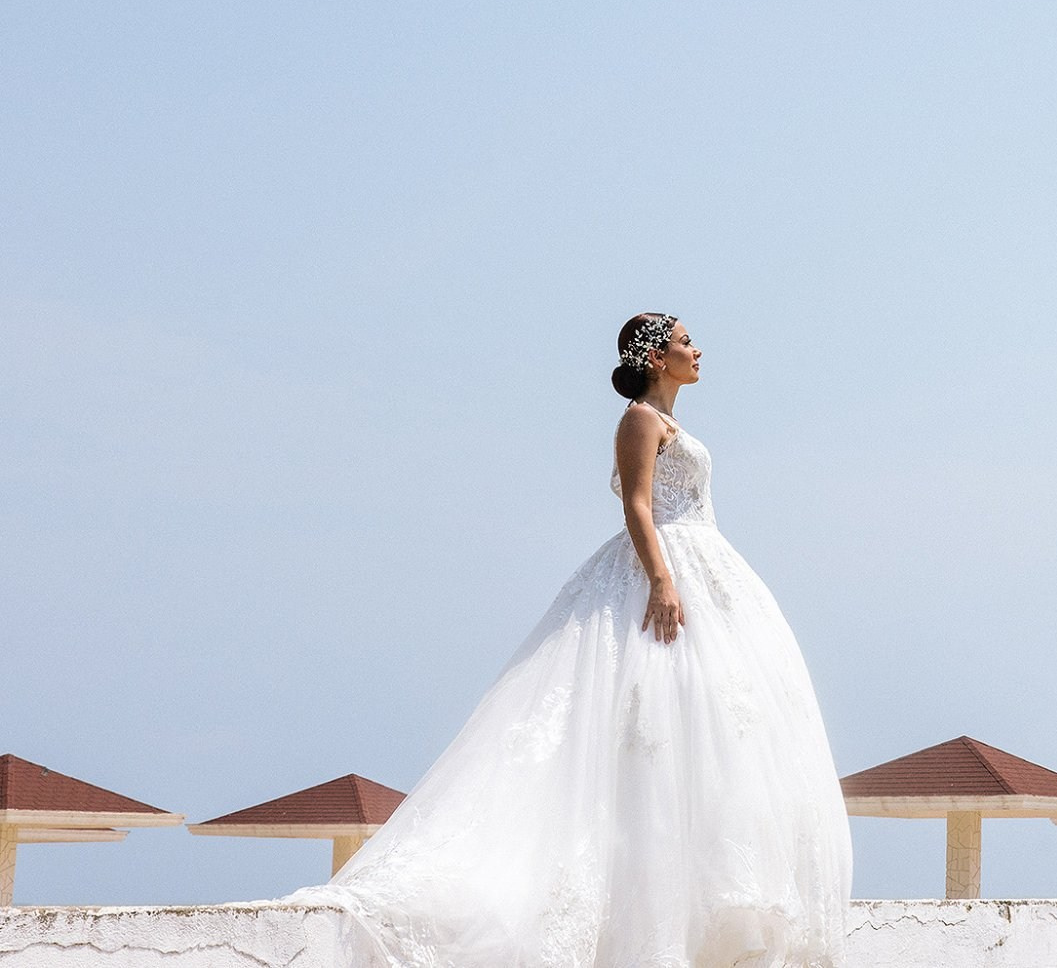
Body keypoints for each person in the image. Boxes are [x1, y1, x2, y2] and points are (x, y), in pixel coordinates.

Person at [292, 314, 852, 968]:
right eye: (683, 343)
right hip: (665, 568)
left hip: (709, 568)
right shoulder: (640, 420)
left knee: (708, 735)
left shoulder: (675, 425)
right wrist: (662, 582)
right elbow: (638, 506)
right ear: (653, 358)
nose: (697, 351)